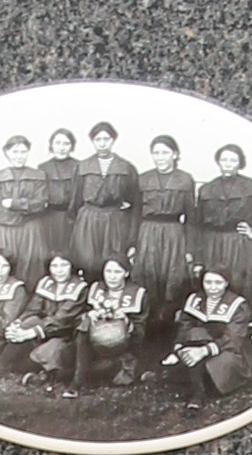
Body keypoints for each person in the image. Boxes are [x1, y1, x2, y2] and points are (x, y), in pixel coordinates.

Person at [191, 140, 252, 306]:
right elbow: (197, 224)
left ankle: (238, 323)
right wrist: (197, 256)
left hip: (237, 243)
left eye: (233, 160)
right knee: (211, 283)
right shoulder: (206, 189)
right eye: (224, 160)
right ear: (218, 162)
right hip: (211, 243)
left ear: (240, 163)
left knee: (238, 283)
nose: (228, 164)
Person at [166, 265, 252, 399]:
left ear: (226, 283)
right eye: (208, 282)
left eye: (218, 282)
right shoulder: (195, 299)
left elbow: (233, 339)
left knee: (222, 365)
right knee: (194, 333)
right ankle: (198, 390)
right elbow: (184, 327)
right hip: (195, 346)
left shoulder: (238, 305)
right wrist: (178, 349)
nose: (213, 287)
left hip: (226, 348)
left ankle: (200, 386)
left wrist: (203, 351)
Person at [133, 134, 196, 320]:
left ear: (175, 154)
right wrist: (133, 243)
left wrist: (190, 248)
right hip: (147, 232)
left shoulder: (184, 180)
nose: (160, 157)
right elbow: (135, 213)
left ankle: (167, 326)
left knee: (172, 278)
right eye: (156, 153)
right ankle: (147, 328)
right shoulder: (143, 179)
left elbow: (191, 217)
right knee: (148, 277)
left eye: (165, 152)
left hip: (173, 233)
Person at [72, 120, 140, 278]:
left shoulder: (126, 168)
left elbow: (134, 202)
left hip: (114, 221)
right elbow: (75, 201)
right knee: (87, 261)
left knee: (112, 260)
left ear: (113, 141)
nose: (102, 144)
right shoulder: (82, 167)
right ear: (93, 142)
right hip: (88, 220)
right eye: (98, 140)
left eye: (106, 139)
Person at [76, 254, 147, 385]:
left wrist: (126, 321)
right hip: (94, 347)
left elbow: (141, 334)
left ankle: (84, 375)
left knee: (110, 369)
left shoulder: (137, 293)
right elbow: (78, 318)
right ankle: (78, 379)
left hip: (123, 350)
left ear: (126, 273)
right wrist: (89, 315)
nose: (112, 276)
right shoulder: (96, 289)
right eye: (108, 271)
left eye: (117, 272)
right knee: (85, 324)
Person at [0, 134, 47, 283]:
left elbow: (40, 204)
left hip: (30, 230)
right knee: (4, 265)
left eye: (23, 152)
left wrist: (13, 204)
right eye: (15, 152)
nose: (19, 156)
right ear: (6, 153)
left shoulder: (38, 175)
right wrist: (24, 211)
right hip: (5, 229)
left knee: (31, 266)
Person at [25, 248, 87, 378]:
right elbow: (33, 309)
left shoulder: (80, 287)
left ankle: (46, 374)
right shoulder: (46, 282)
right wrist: (18, 324)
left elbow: (62, 319)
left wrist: (34, 331)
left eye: (64, 265)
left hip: (64, 334)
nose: (59, 270)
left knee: (50, 351)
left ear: (72, 267)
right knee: (26, 323)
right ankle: (0, 367)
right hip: (44, 329)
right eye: (54, 266)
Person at [37, 127, 84, 264]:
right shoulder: (43, 168)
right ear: (51, 145)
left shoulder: (79, 166)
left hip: (73, 218)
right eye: (58, 143)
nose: (62, 148)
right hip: (49, 218)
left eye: (66, 144)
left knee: (73, 253)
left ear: (72, 146)